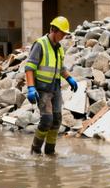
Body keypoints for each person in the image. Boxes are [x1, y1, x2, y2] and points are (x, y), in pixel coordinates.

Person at [25, 16, 78, 155]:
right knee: (47, 120)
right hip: (42, 89)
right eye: (62, 33)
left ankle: (50, 152)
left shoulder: (59, 48)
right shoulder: (40, 44)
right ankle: (35, 150)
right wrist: (31, 88)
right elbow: (29, 67)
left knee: (57, 120)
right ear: (54, 30)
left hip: (55, 88)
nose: (64, 37)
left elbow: (60, 68)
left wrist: (70, 78)